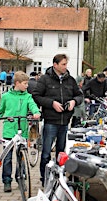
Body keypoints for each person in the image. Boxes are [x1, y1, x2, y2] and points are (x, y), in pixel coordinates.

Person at [32, 54, 83, 185]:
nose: (66, 67)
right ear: (55, 65)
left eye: (66, 64)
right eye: (63, 64)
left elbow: (79, 95)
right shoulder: (44, 80)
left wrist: (73, 101)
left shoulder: (70, 80)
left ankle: (59, 180)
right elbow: (36, 96)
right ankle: (45, 179)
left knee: (61, 153)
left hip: (65, 122)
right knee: (46, 153)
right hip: (50, 121)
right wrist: (51, 103)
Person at [0, 71, 40, 192]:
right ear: (17, 83)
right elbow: (0, 111)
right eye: (25, 83)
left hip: (22, 130)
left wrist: (36, 112)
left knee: (21, 156)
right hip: (9, 131)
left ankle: (21, 177)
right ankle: (7, 180)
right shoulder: (6, 96)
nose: (27, 86)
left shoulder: (27, 96)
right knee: (8, 158)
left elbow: (32, 106)